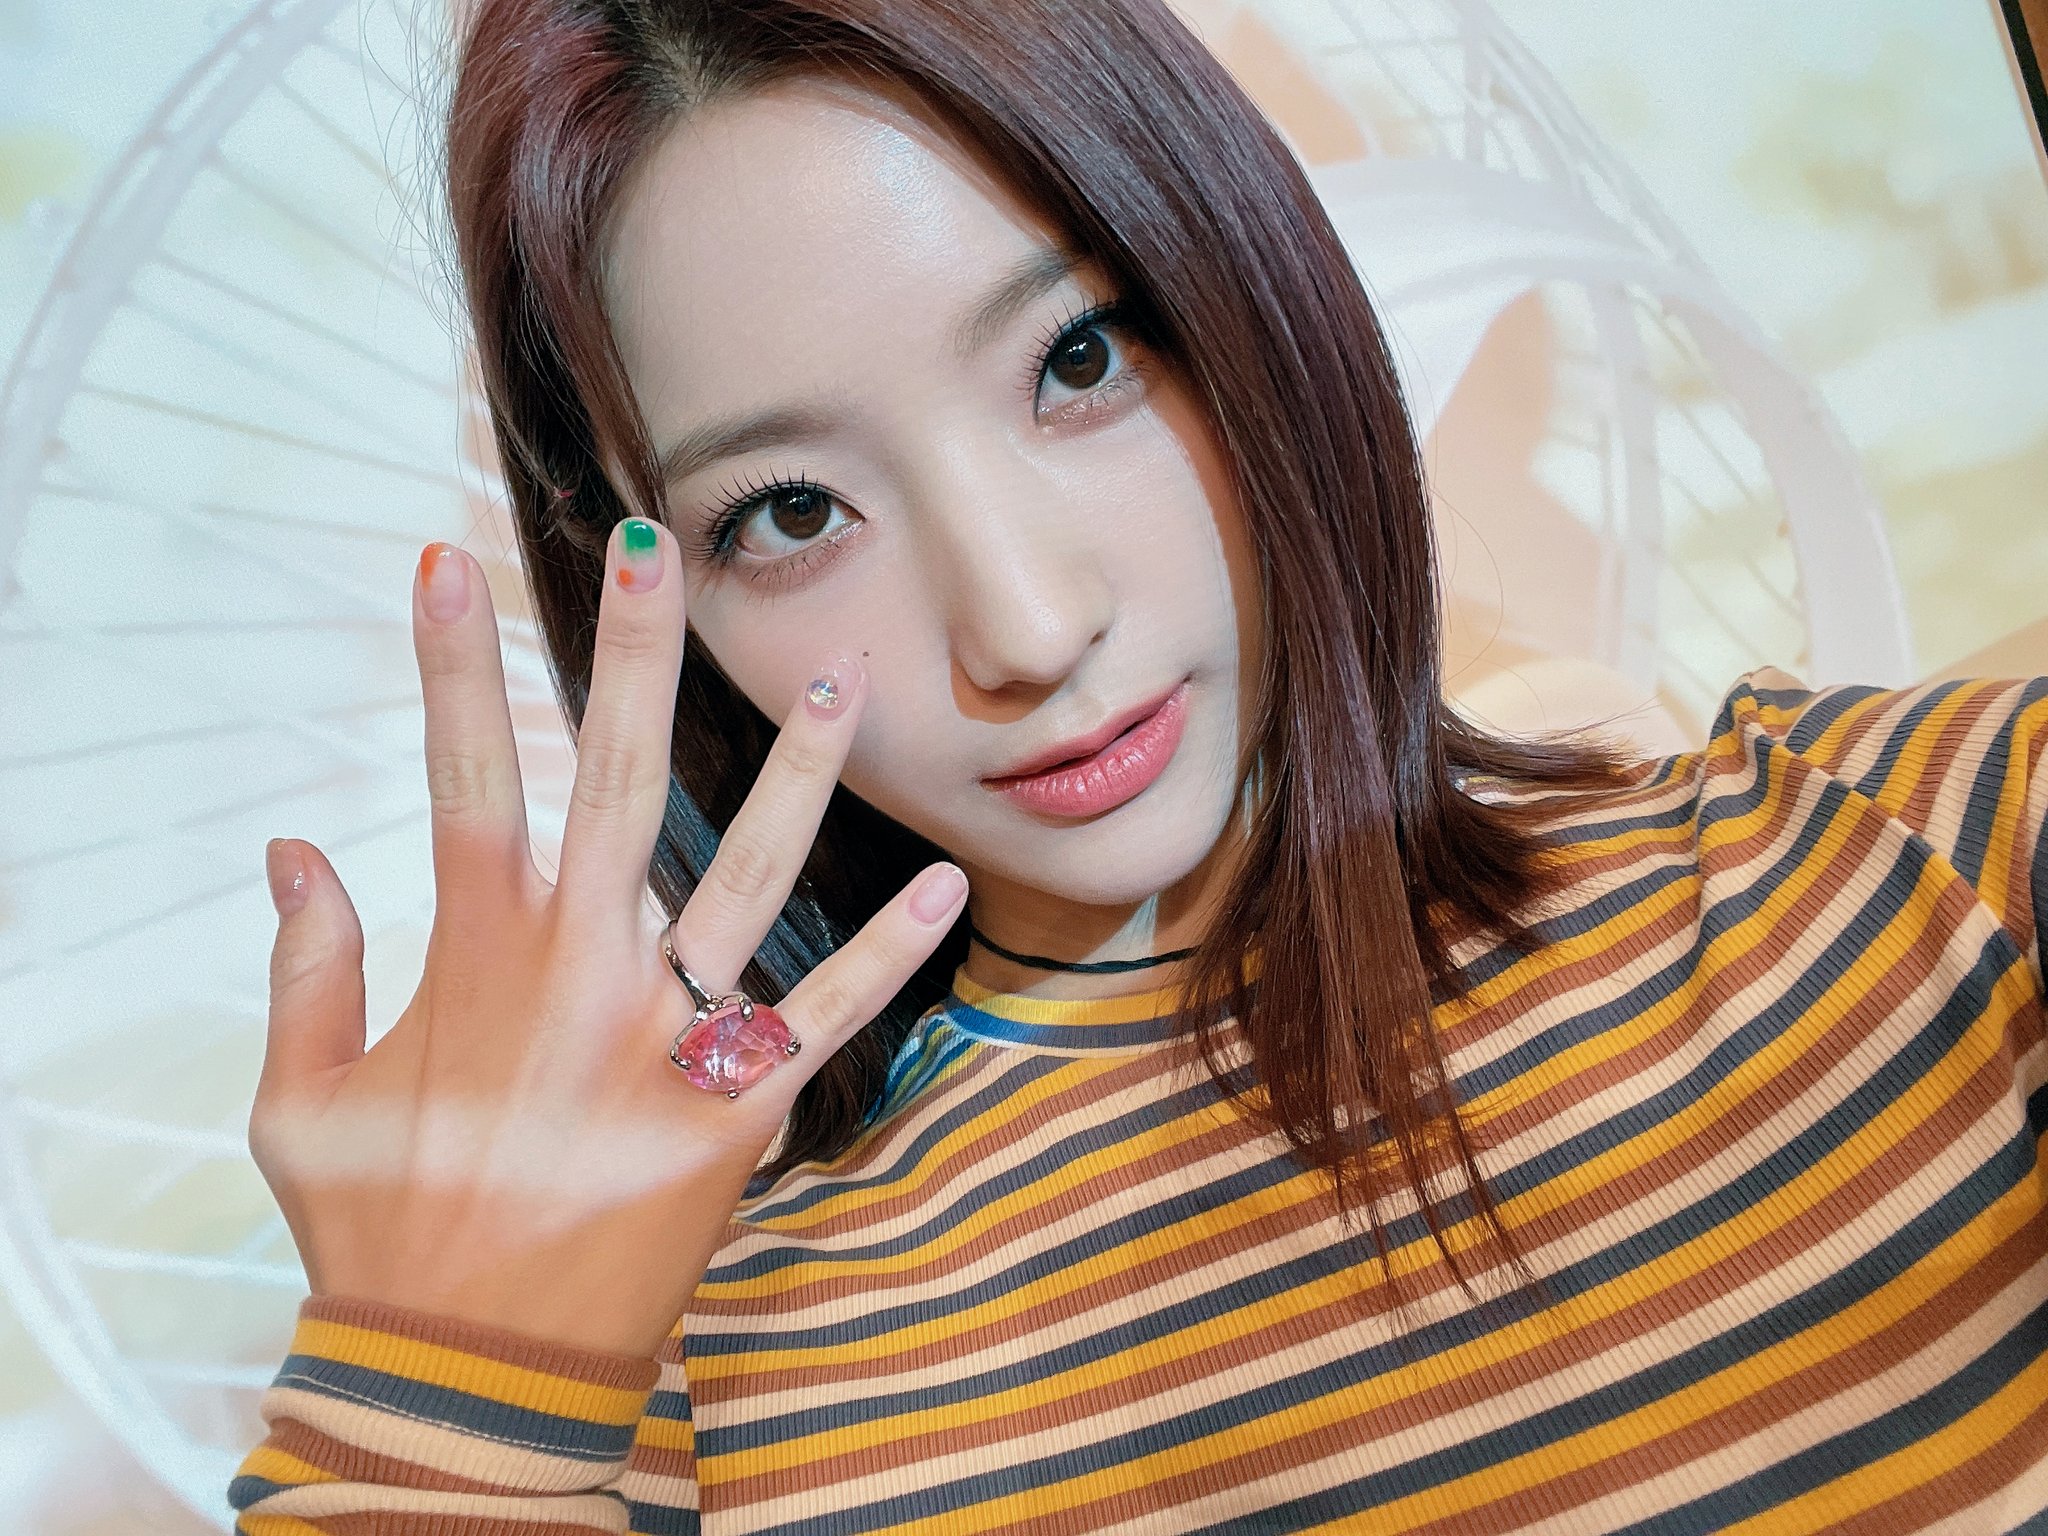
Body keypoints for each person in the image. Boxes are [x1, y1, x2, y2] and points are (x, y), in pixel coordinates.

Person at [226, 0, 2048, 1530]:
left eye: (1079, 357)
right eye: (791, 512)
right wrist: (424, 1426)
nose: (1024, 627)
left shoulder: (1927, 861)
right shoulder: (668, 1393)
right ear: (663, 597)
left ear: (1248, 271)